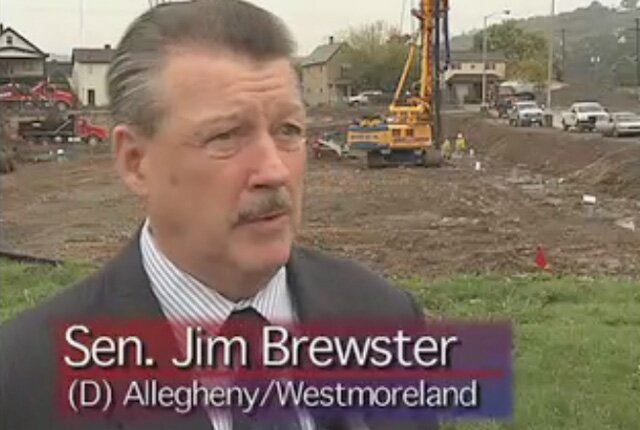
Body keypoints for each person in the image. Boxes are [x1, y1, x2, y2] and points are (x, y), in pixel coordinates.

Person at [0, 1, 436, 430]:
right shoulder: (25, 380)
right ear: (135, 162)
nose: (274, 171)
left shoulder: (386, 319)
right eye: (226, 136)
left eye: (289, 131)